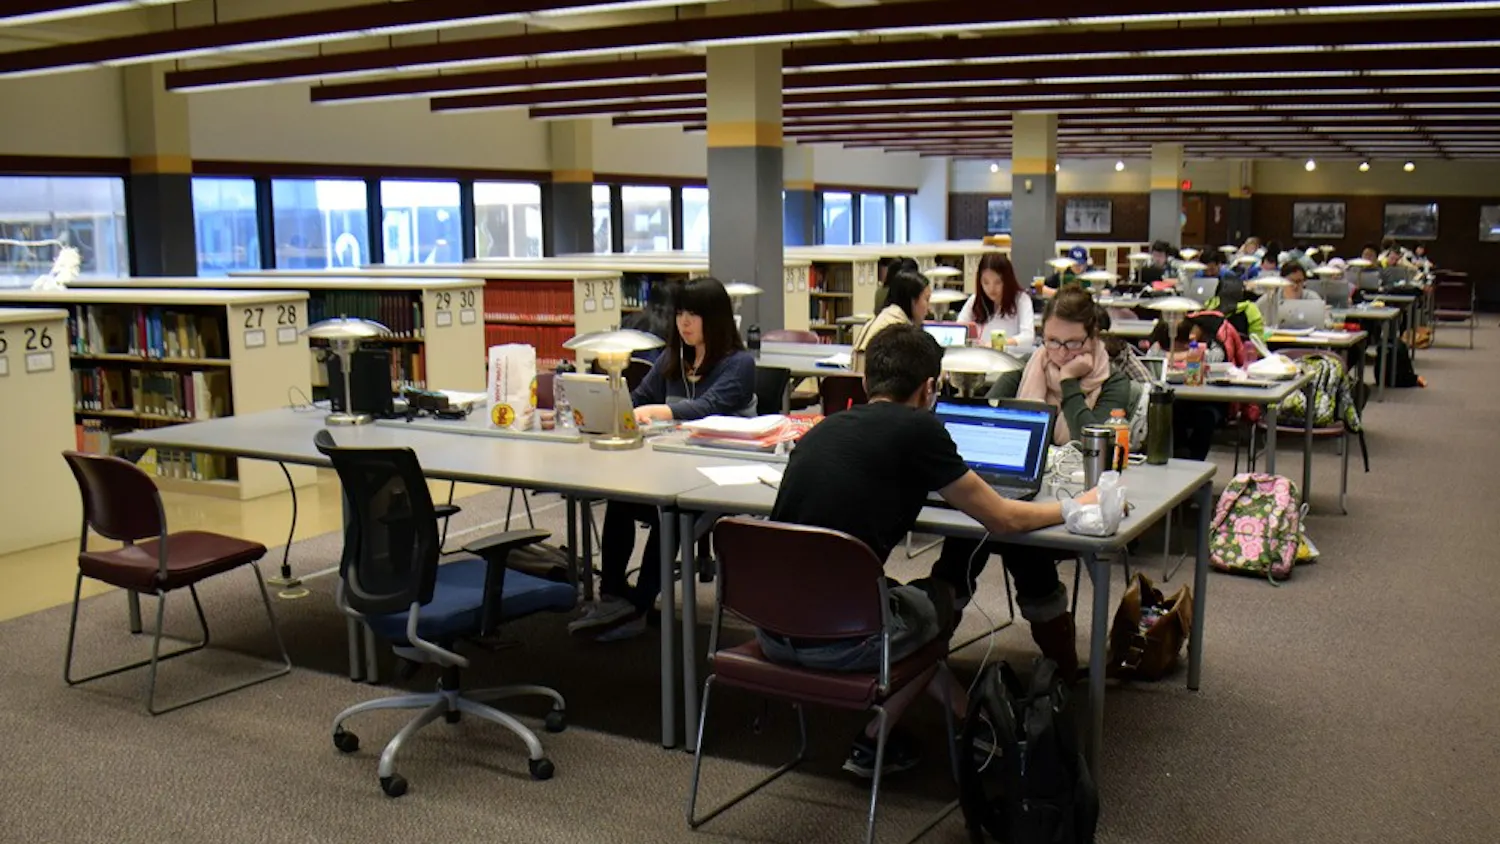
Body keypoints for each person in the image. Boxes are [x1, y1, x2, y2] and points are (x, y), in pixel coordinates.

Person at [768, 324, 1098, 777]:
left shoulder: (821, 430)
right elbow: (1002, 519)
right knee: (939, 601)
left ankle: (975, 725)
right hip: (843, 641)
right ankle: (885, 739)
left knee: (909, 608)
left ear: (866, 382)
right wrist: (1073, 505)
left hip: (774, 627)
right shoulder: (920, 429)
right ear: (929, 388)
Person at [931, 286, 1130, 682]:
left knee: (999, 533)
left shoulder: (1114, 383)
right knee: (995, 527)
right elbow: (988, 415)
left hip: (1075, 500)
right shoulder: (1026, 369)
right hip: (1026, 497)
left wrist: (1070, 385)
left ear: (1094, 338)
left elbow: (1087, 438)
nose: (1060, 353)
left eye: (1073, 343)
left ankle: (927, 652)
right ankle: (1063, 663)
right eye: (1053, 341)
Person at [570, 277, 757, 642]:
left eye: (694, 315)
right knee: (621, 498)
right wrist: (608, 408)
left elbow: (707, 407)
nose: (684, 322)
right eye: (680, 314)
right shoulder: (675, 358)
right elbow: (638, 397)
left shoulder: (739, 363)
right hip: (668, 464)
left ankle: (639, 606)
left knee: (667, 514)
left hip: (716, 477)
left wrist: (658, 410)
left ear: (715, 318)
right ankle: (612, 594)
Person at [1148, 314, 1229, 460]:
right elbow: (1154, 357)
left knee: (1206, 418)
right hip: (1176, 401)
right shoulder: (1158, 347)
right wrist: (1179, 355)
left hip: (1207, 401)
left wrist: (1193, 348)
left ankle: (1196, 462)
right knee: (1169, 412)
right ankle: (1180, 452)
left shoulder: (1208, 345)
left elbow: (1218, 357)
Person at [850, 269, 931, 373]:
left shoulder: (882, 318)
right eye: (927, 299)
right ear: (912, 301)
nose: (929, 309)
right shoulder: (899, 331)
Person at [957, 252, 1034, 350]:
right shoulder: (975, 299)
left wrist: (998, 343)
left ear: (1007, 281)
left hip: (1011, 360)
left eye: (997, 282)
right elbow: (960, 327)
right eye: (986, 282)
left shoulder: (1021, 300)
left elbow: (1028, 337)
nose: (991, 289)